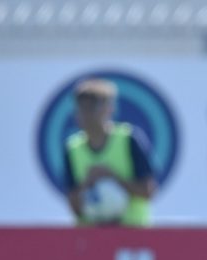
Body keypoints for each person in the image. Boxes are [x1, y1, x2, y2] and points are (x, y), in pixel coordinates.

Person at [65, 78, 156, 227]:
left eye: (92, 107)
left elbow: (148, 191)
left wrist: (112, 177)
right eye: (81, 108)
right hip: (91, 235)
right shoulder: (72, 148)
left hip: (132, 233)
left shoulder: (129, 139)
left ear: (108, 109)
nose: (86, 114)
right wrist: (88, 183)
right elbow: (74, 206)